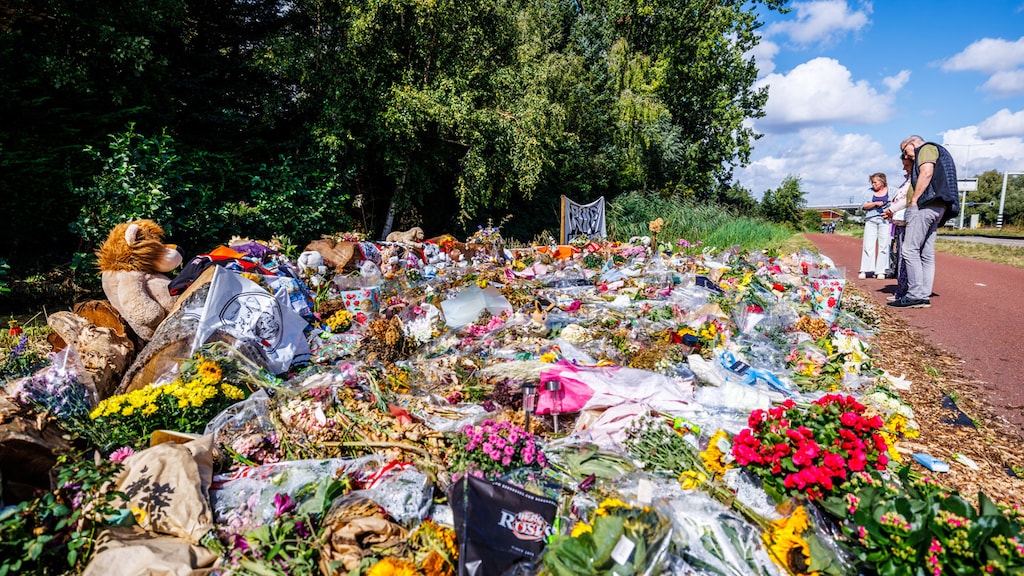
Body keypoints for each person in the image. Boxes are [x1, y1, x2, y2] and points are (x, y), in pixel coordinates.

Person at [887, 135, 960, 309]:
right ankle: (923, 293)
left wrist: (915, 200)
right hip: (939, 207)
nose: (907, 156)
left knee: (909, 249)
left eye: (906, 151)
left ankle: (915, 295)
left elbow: (926, 172)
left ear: (912, 143)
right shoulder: (942, 152)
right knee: (926, 253)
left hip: (925, 205)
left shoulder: (926, 149)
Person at [882, 156, 913, 300]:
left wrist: (891, 210)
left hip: (907, 221)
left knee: (904, 255)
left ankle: (903, 291)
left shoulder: (913, 181)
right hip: (900, 222)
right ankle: (903, 289)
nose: (903, 168)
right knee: (900, 254)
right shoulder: (907, 181)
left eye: (906, 165)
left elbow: (906, 199)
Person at [858, 173, 891, 279]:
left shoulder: (892, 191)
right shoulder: (869, 192)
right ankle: (866, 269)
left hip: (885, 220)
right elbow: (864, 205)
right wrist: (875, 204)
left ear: (882, 182)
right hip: (871, 220)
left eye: (875, 182)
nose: (873, 184)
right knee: (868, 244)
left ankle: (881, 270)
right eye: (872, 182)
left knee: (884, 245)